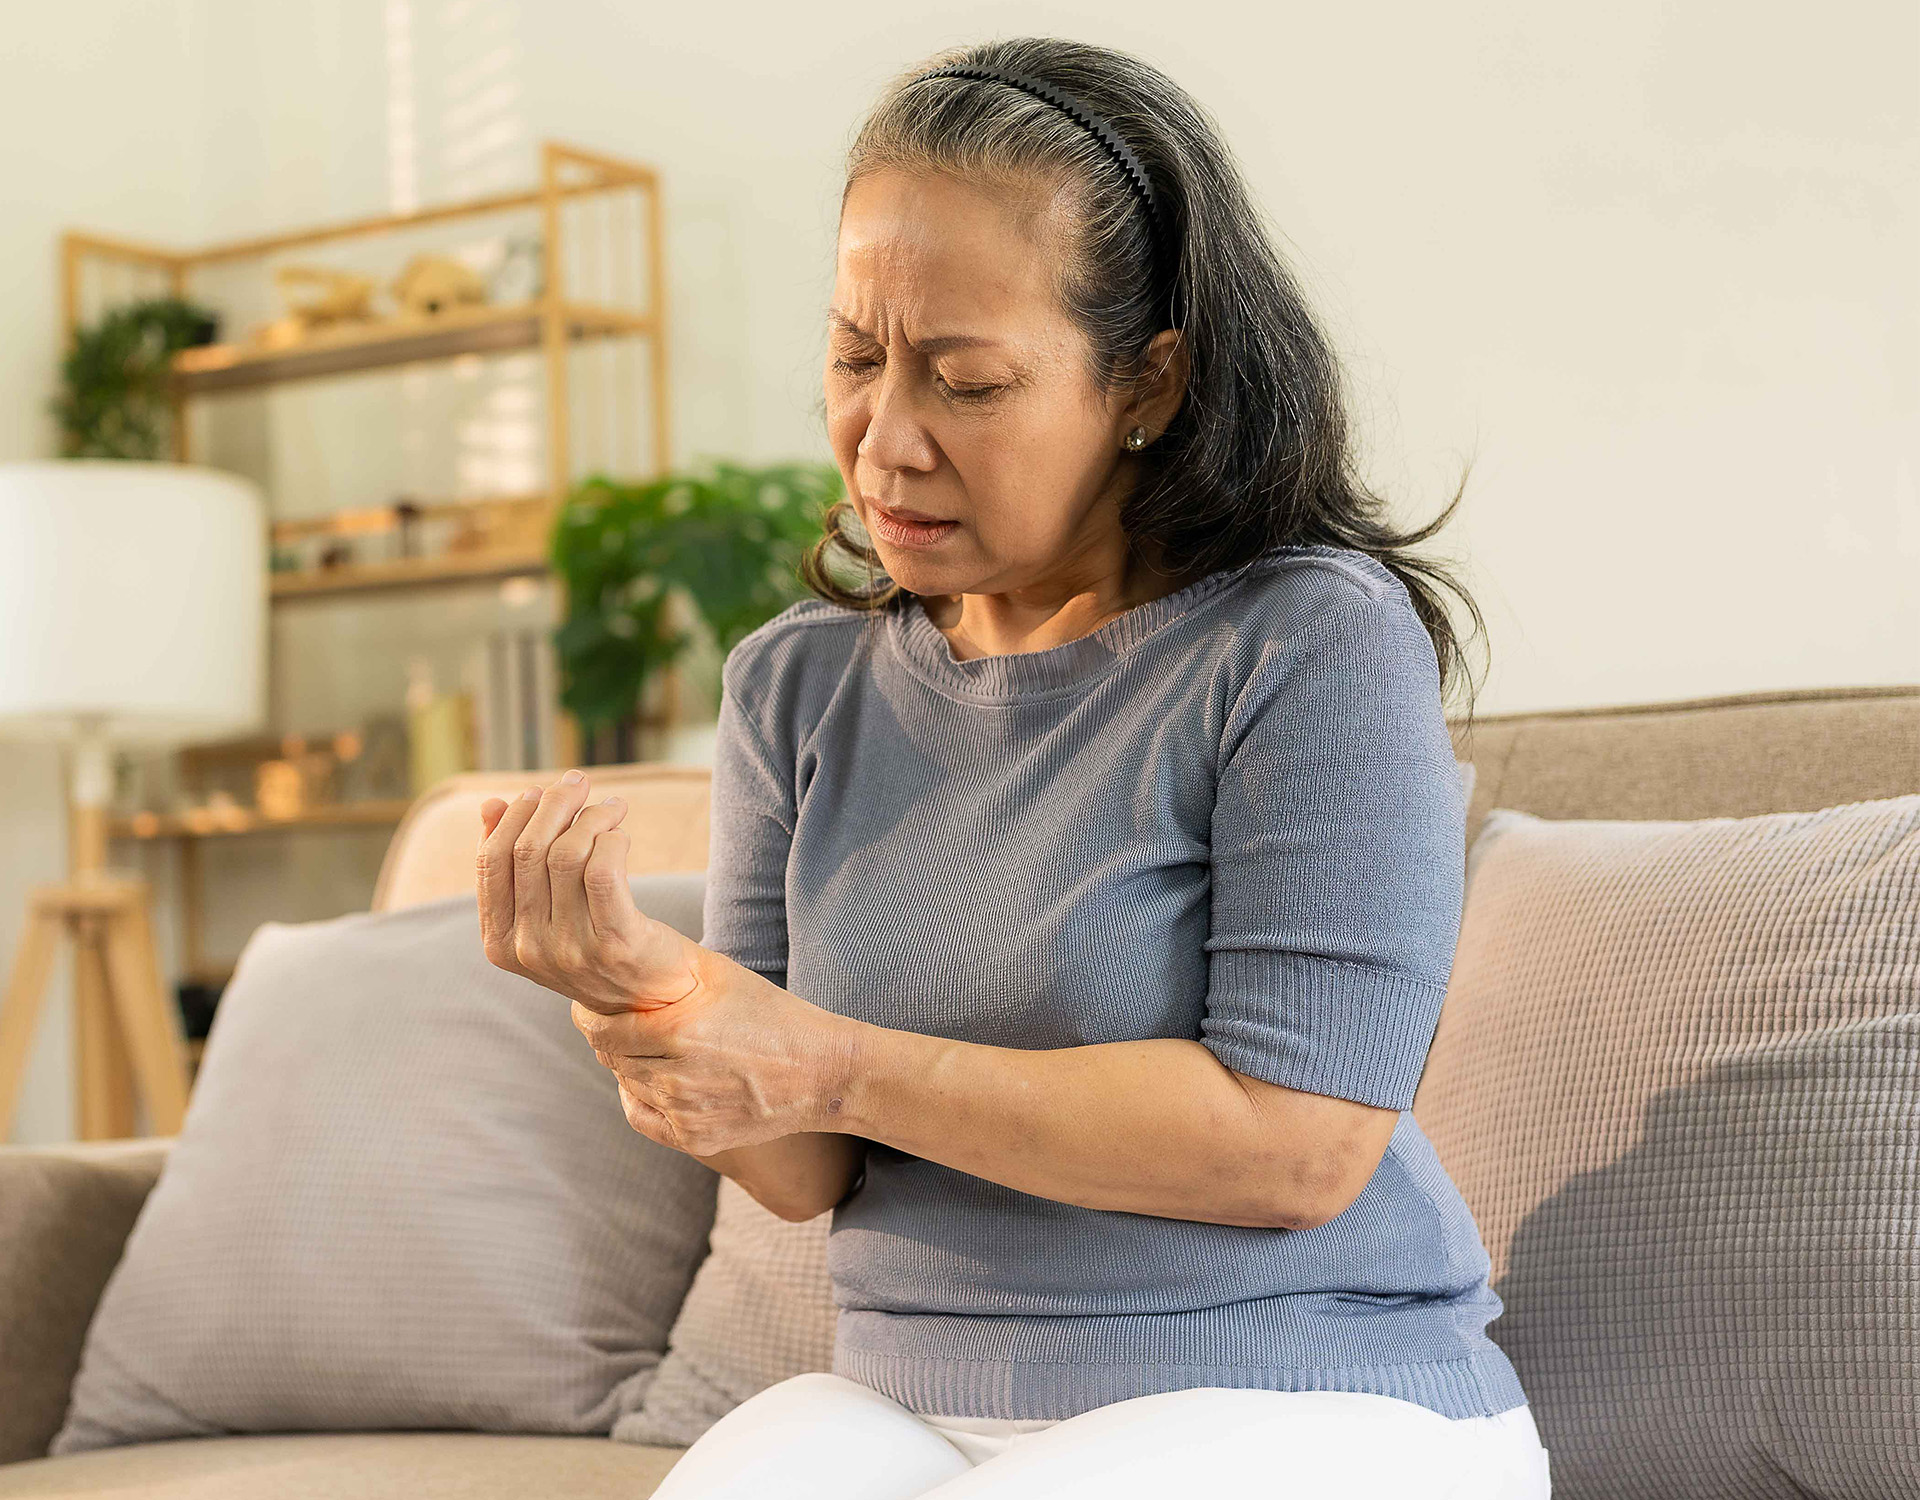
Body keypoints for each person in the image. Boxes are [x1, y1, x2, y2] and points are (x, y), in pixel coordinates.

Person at [475, 34, 1550, 1500]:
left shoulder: (1307, 641)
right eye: (856, 357)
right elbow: (807, 1170)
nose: (885, 440)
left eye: (965, 381)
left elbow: (1295, 1152)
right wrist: (640, 993)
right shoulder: (796, 685)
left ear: (1147, 381)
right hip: (916, 1398)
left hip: (1308, 1393)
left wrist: (827, 1056)